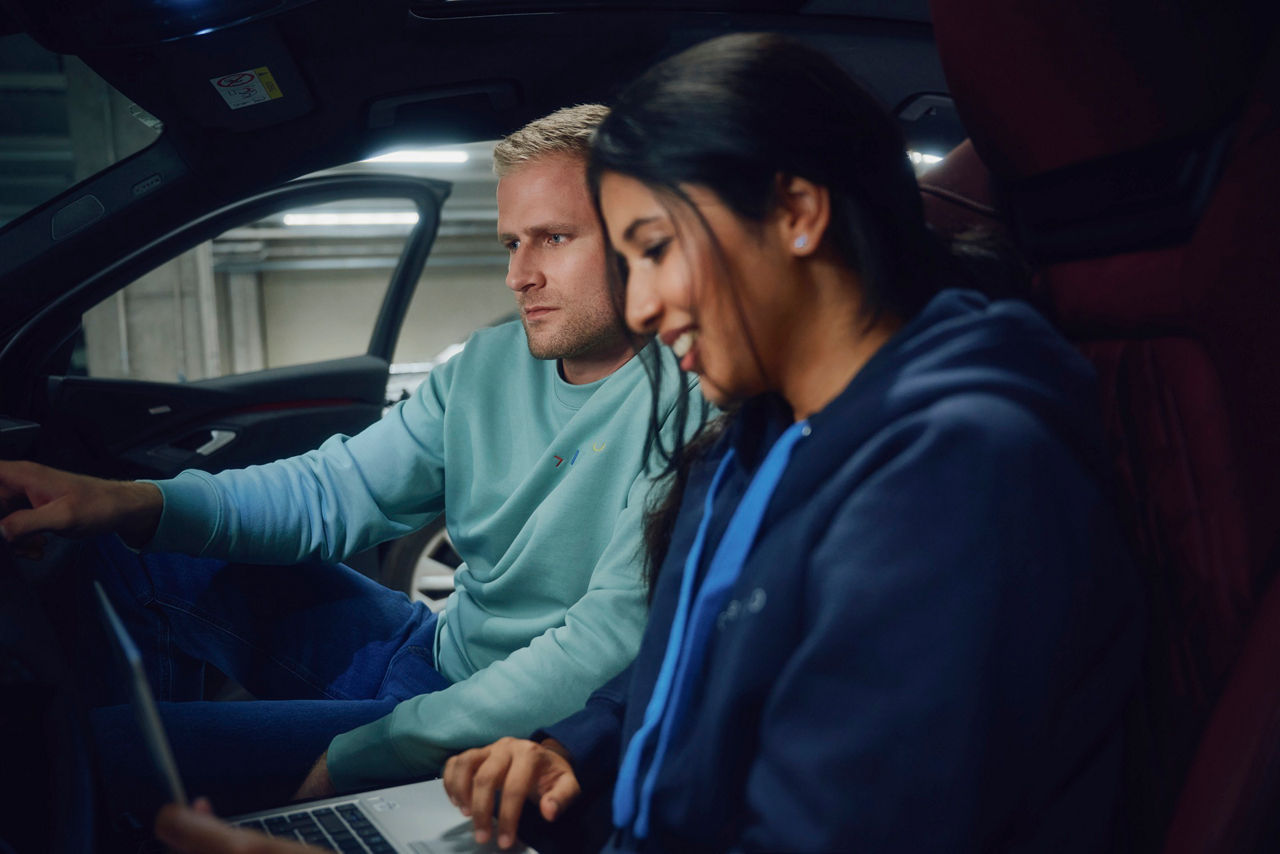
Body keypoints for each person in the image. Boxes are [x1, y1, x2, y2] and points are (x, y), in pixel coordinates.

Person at [150, 32, 1143, 854]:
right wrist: (575, 753)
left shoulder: (952, 480)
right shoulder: (757, 436)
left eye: (655, 249)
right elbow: (673, 668)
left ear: (796, 213)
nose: (640, 301)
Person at [0, 104, 701, 818]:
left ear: (642, 239)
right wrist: (126, 499)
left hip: (496, 725)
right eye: (510, 245)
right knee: (131, 544)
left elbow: (600, 654)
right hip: (427, 653)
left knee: (90, 752)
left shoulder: (695, 400)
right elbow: (333, 491)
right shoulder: (487, 365)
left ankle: (124, 785)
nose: (520, 276)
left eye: (553, 238)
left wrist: (353, 761)